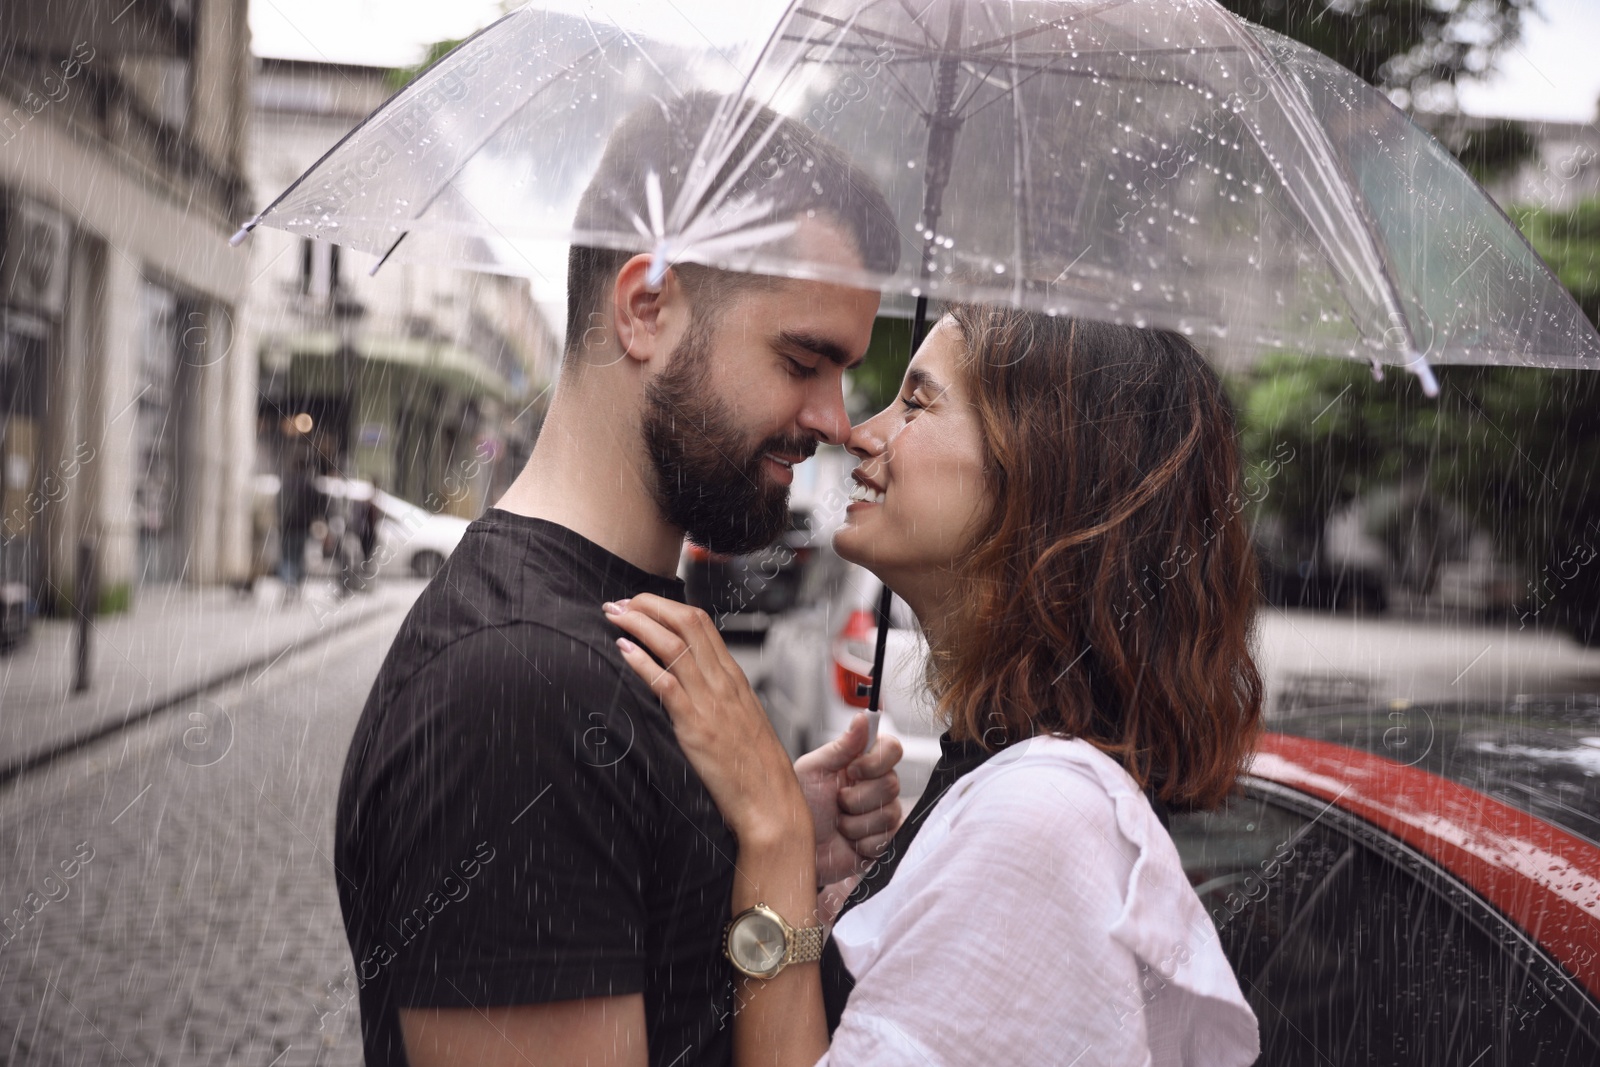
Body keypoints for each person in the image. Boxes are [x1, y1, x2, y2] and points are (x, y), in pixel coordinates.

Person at [334, 93, 905, 1067]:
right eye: (804, 359)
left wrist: (770, 863)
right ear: (645, 308)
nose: (836, 418)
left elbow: (717, 983)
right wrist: (760, 834)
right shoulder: (518, 691)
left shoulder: (625, 623)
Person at [608, 307, 1264, 1065]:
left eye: (917, 404)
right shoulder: (1007, 773)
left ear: (1042, 470)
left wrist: (774, 831)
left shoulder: (1044, 817)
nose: (857, 431)